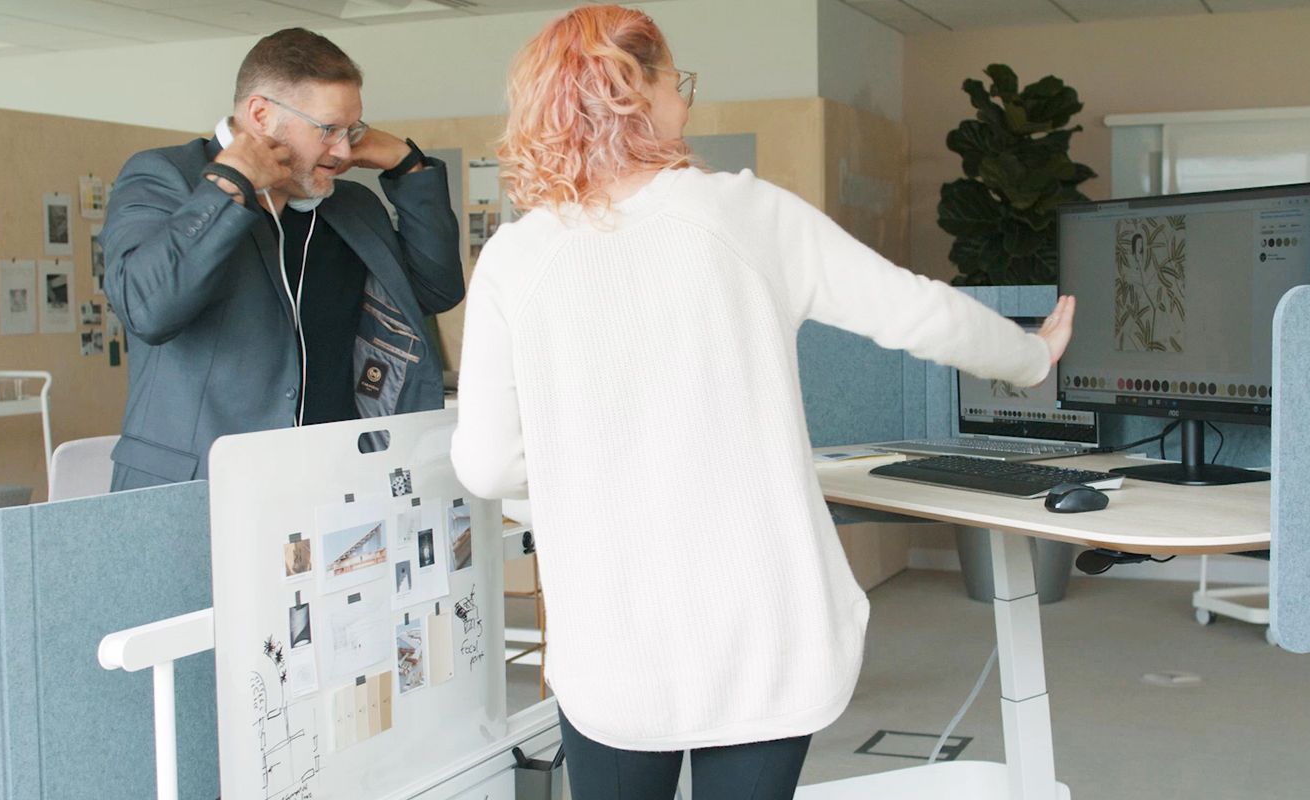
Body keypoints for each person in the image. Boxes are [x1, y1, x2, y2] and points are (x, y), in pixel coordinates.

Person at [449, 6, 1076, 798]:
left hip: (615, 643)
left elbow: (487, 462)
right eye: (677, 79)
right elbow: (916, 310)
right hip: (763, 634)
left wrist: (590, 479)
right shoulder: (745, 214)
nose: (687, 99)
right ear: (632, 88)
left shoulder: (516, 258)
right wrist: (1030, 357)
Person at [103, 27, 462, 490]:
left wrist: (406, 166)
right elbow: (146, 309)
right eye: (328, 129)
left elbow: (435, 289)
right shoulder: (165, 177)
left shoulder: (349, 206)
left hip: (333, 487)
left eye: (352, 130)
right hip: (201, 491)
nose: (345, 150)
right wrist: (231, 185)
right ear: (260, 115)